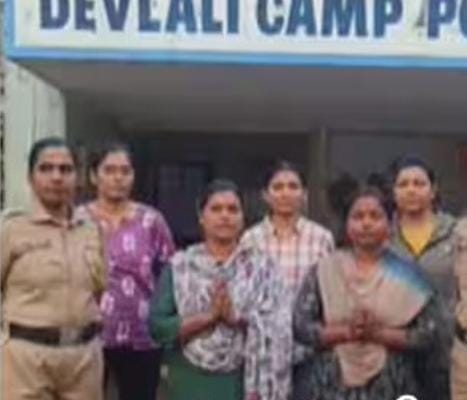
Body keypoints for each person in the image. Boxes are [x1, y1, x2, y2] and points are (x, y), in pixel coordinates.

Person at [294, 186, 439, 400]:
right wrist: (347, 332)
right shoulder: (325, 270)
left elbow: (428, 334)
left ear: (390, 223)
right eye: (358, 216)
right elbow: (301, 326)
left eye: (375, 216)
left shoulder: (410, 276)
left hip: (392, 383)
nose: (366, 223)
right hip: (330, 384)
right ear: (346, 224)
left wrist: (379, 334)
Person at [148, 179, 288, 400]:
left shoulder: (262, 269)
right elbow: (157, 326)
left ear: (242, 218)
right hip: (188, 379)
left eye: (233, 209)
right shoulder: (181, 267)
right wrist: (208, 317)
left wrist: (236, 318)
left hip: (244, 380)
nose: (225, 216)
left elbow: (279, 325)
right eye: (216, 209)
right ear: (201, 217)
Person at [1, 137, 106, 400]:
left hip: (83, 359)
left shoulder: (91, 230)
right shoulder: (11, 230)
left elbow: (98, 290)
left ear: (77, 178)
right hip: (26, 360)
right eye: (46, 169)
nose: (56, 177)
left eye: (65, 169)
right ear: (30, 177)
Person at [76, 142, 175, 400]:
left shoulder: (151, 221)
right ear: (93, 176)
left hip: (141, 336)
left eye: (125, 171)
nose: (118, 178)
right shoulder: (76, 221)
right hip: (88, 336)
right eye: (109, 170)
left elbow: (169, 275)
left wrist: (164, 324)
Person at [242, 160, 334, 398]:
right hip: (265, 354)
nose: (286, 193)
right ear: (265, 195)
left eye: (293, 187)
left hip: (309, 351)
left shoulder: (321, 239)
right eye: (278, 187)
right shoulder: (250, 240)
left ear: (304, 194)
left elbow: (330, 294)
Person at [388, 156, 456, 400]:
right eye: (403, 184)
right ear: (393, 192)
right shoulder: (381, 237)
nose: (411, 190)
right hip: (396, 353)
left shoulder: (456, 235)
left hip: (447, 353)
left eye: (419, 183)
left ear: (433, 190)